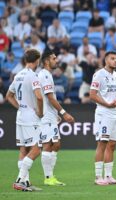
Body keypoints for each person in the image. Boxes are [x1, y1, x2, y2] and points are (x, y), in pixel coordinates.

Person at [6, 49, 43, 191]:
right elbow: (39, 96)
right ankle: (20, 180)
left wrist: (20, 106)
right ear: (37, 60)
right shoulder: (33, 76)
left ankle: (25, 182)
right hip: (31, 118)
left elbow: (9, 95)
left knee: (23, 149)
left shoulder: (18, 75)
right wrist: (40, 111)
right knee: (37, 148)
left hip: (21, 116)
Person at [38, 50, 75, 186]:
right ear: (47, 61)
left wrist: (55, 115)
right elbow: (50, 97)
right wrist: (63, 113)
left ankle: (50, 176)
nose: (56, 61)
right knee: (48, 144)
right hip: (46, 117)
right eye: (54, 58)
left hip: (50, 115)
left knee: (56, 144)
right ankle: (48, 178)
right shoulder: (45, 75)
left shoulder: (47, 74)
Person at [90, 51, 116, 185]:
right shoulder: (98, 75)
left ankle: (109, 176)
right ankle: (98, 177)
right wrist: (107, 104)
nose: (115, 61)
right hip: (104, 113)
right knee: (102, 143)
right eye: (112, 58)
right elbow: (92, 95)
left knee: (112, 145)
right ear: (106, 60)